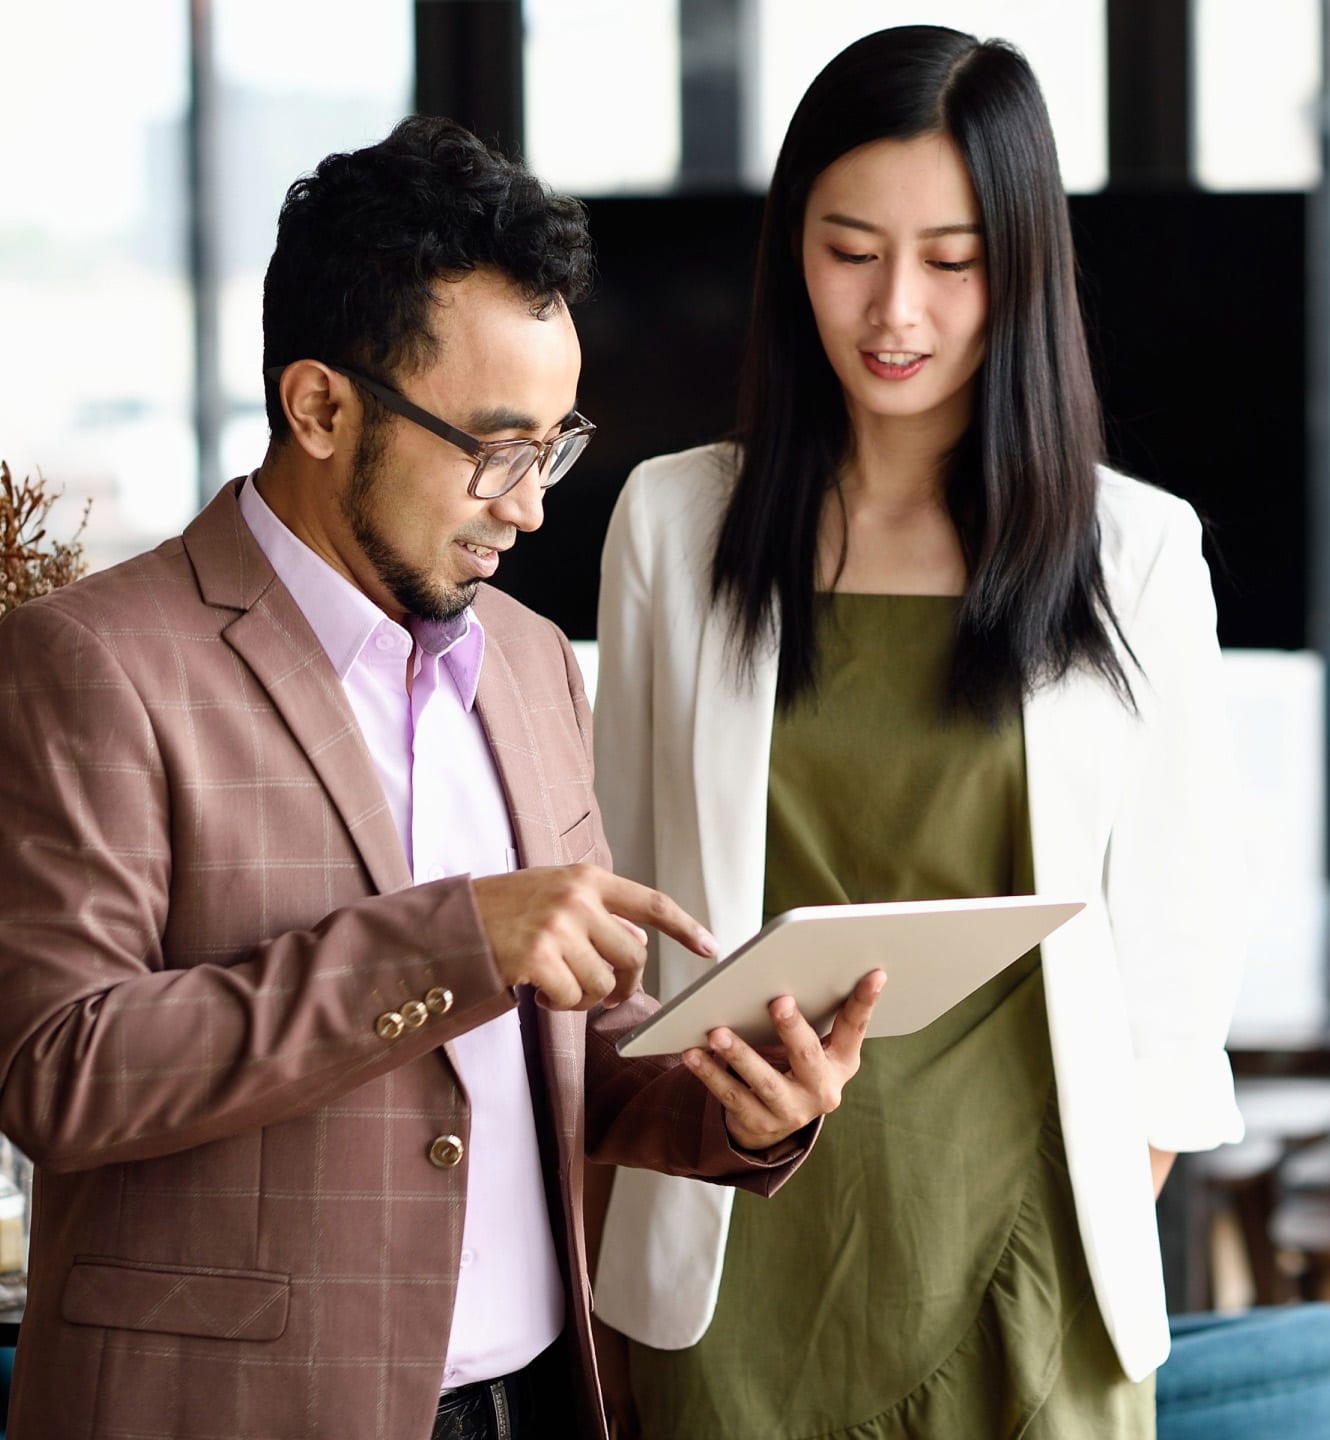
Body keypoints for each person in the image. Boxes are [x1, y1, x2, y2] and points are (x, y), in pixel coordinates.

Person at [0, 117, 885, 1440]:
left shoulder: (529, 661)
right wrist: (455, 940)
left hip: (531, 1399)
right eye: (494, 449)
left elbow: (563, 1046)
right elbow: (59, 1073)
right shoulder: (92, 662)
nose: (527, 506)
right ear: (319, 407)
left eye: (553, 447)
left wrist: (733, 1103)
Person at [590, 25, 1247, 1439]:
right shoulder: (673, 523)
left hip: (1029, 1256)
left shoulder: (1134, 552)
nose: (898, 309)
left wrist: (1070, 1216)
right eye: (851, 249)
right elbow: (626, 930)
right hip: (731, 1250)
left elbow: (1178, 970)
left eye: (954, 260)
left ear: (1024, 270)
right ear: (789, 254)